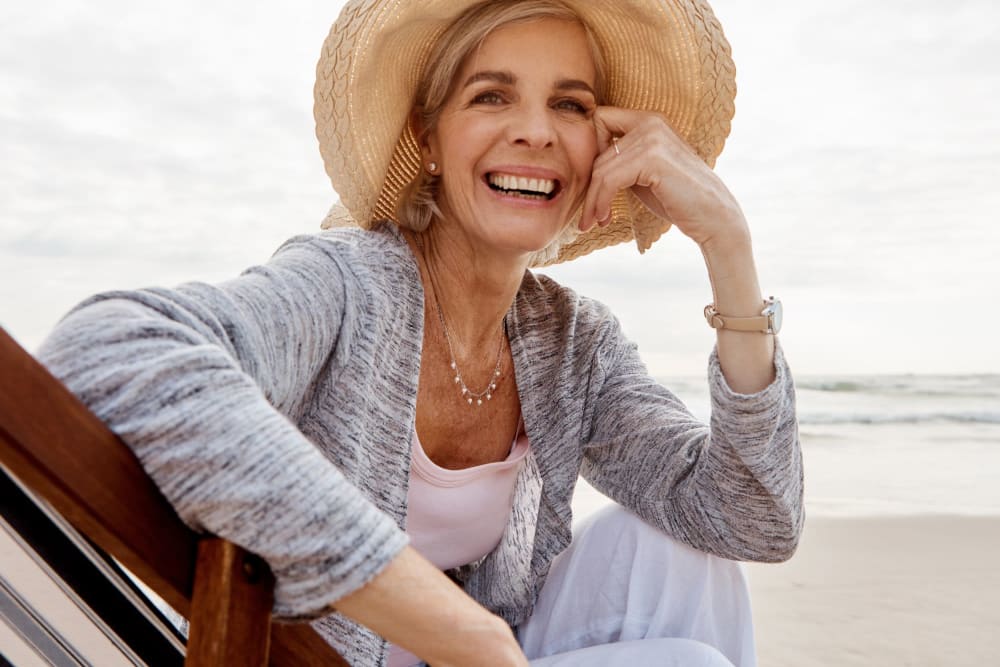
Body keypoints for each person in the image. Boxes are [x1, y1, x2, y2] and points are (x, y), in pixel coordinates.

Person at [38, 0, 803, 665]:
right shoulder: (346, 283)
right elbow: (107, 350)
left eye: (571, 105)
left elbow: (749, 519)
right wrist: (462, 632)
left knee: (681, 558)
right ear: (429, 140)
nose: (536, 132)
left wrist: (727, 247)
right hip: (295, 657)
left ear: (603, 148)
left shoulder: (574, 343)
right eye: (491, 96)